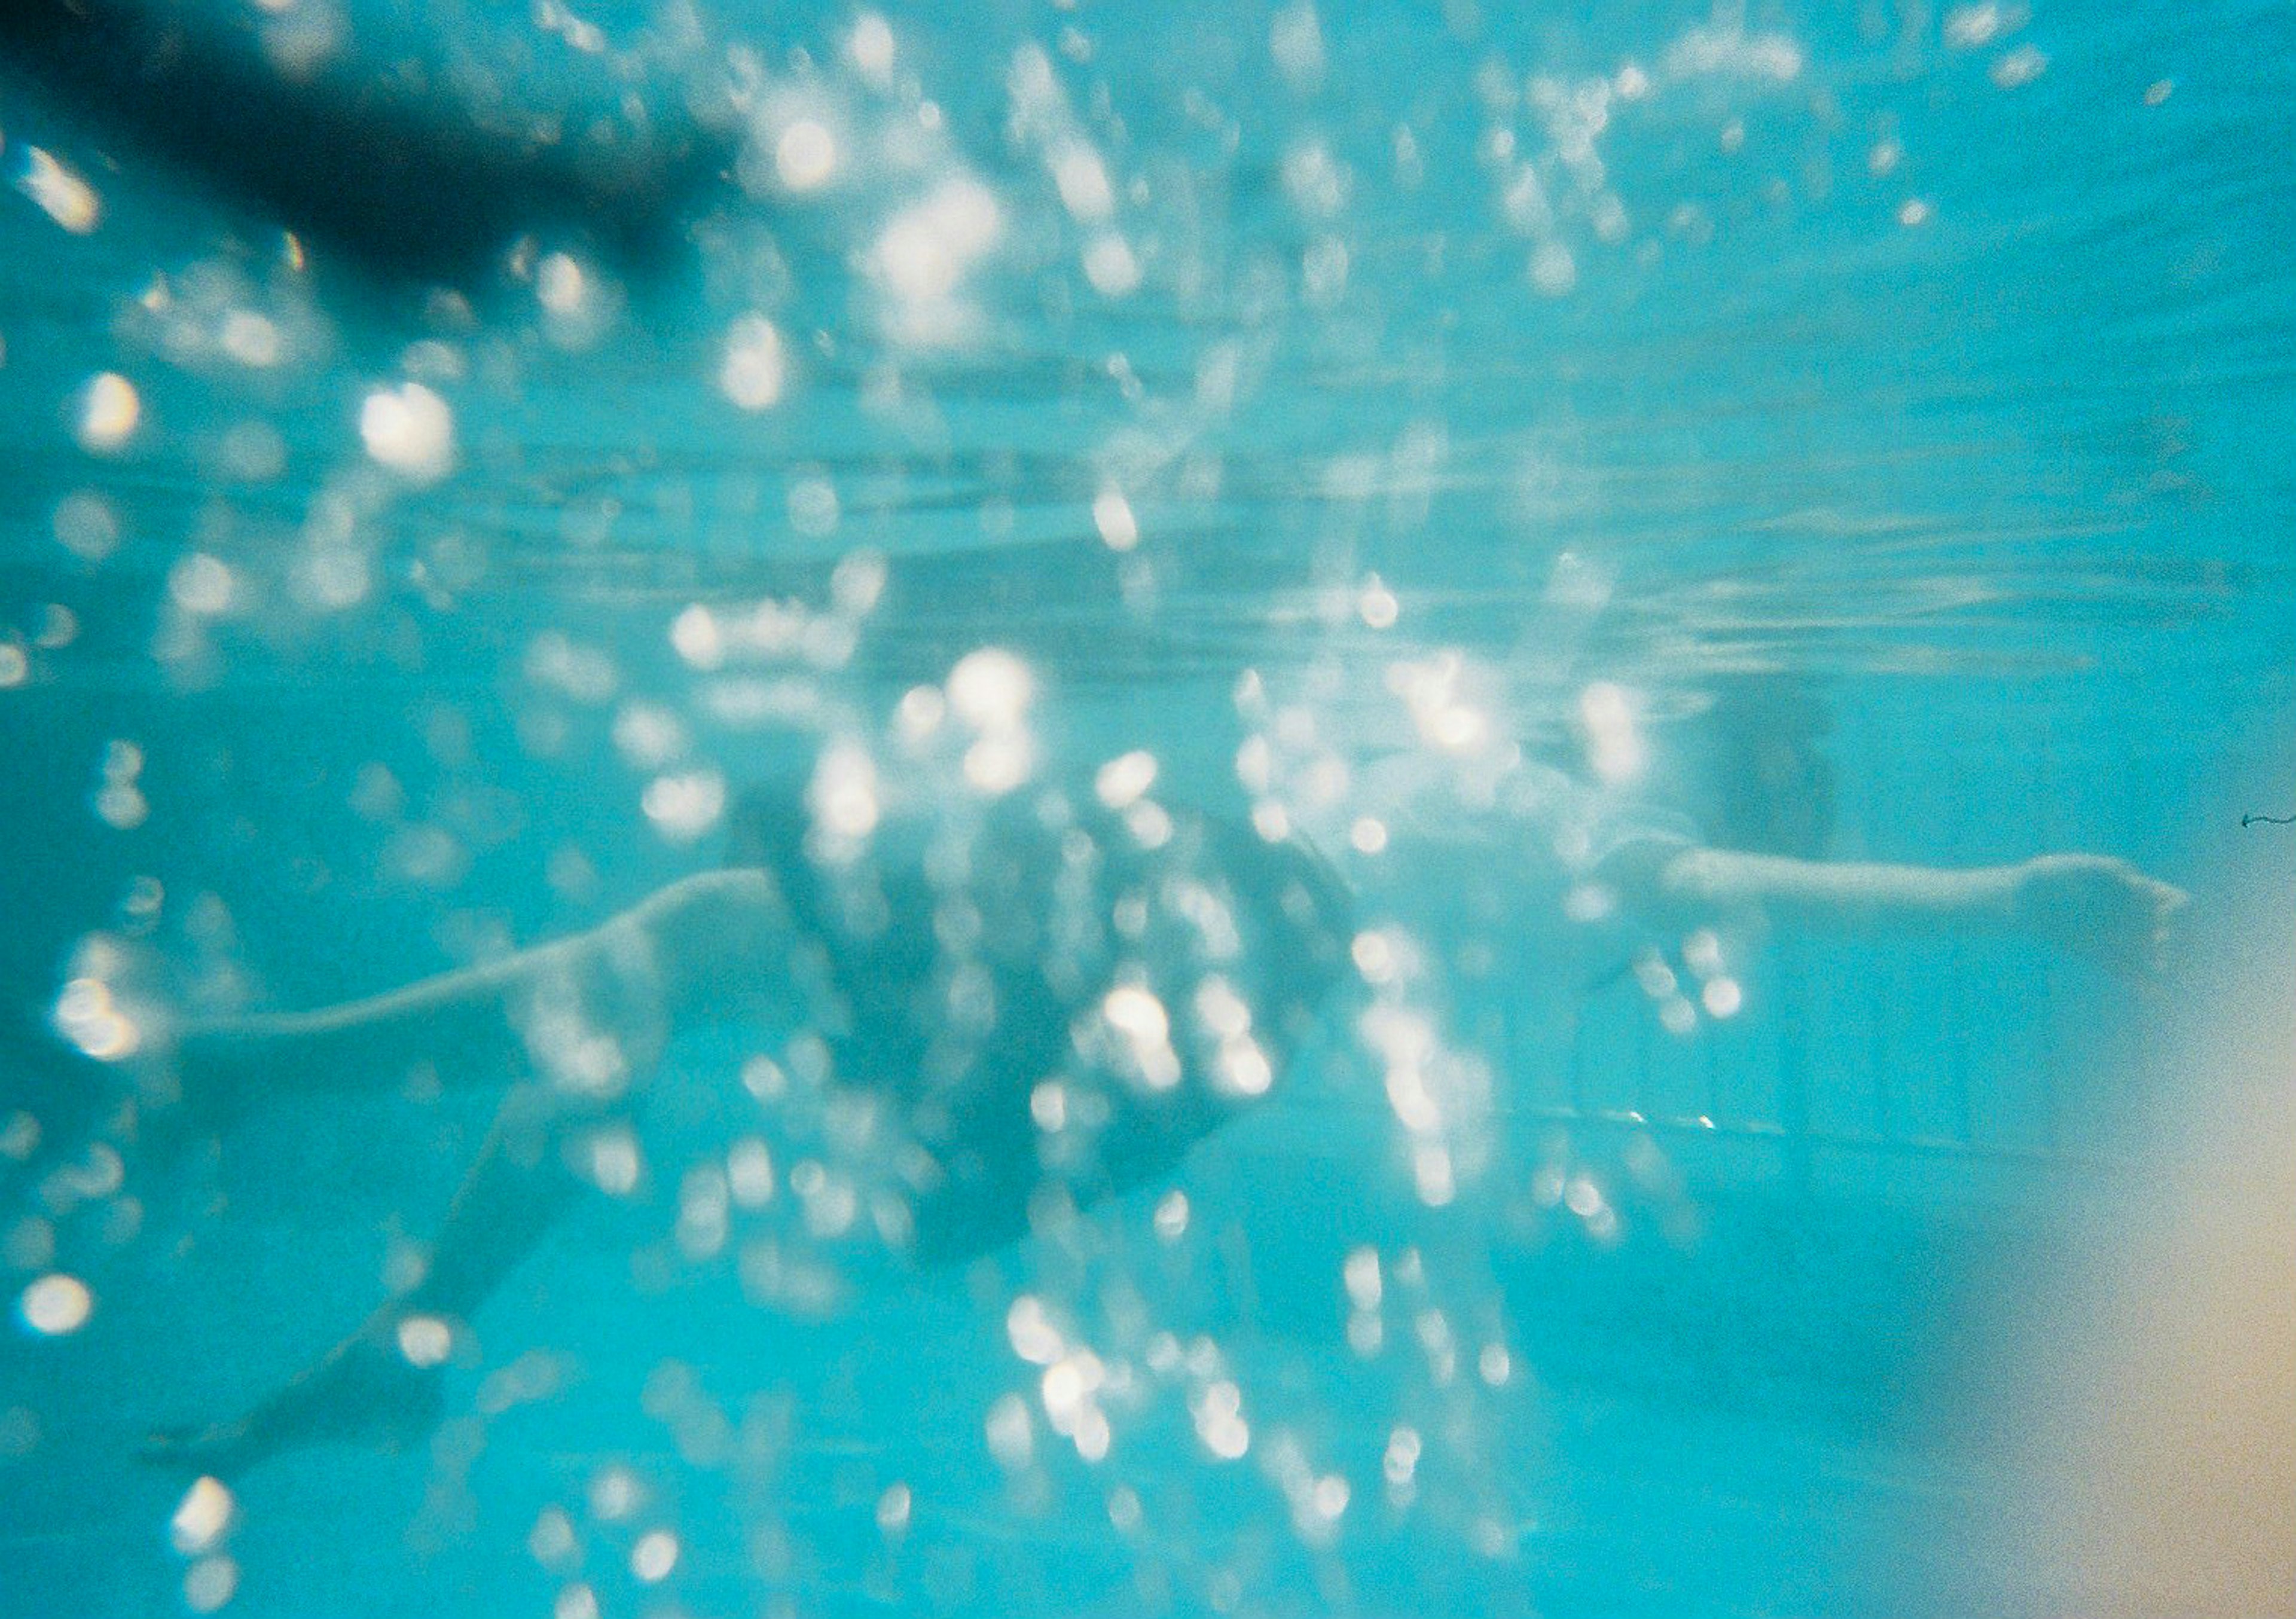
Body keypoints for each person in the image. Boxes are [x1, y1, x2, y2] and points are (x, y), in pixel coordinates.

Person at [128, 757, 2184, 1476]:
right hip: (1108, 970)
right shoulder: (1437, 760)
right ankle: (376, 1303)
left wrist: (2007, 899)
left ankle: (281, 1131)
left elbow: (1742, 895)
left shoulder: (1587, 863)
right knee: (700, 950)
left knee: (714, 946)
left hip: (1132, 1033)